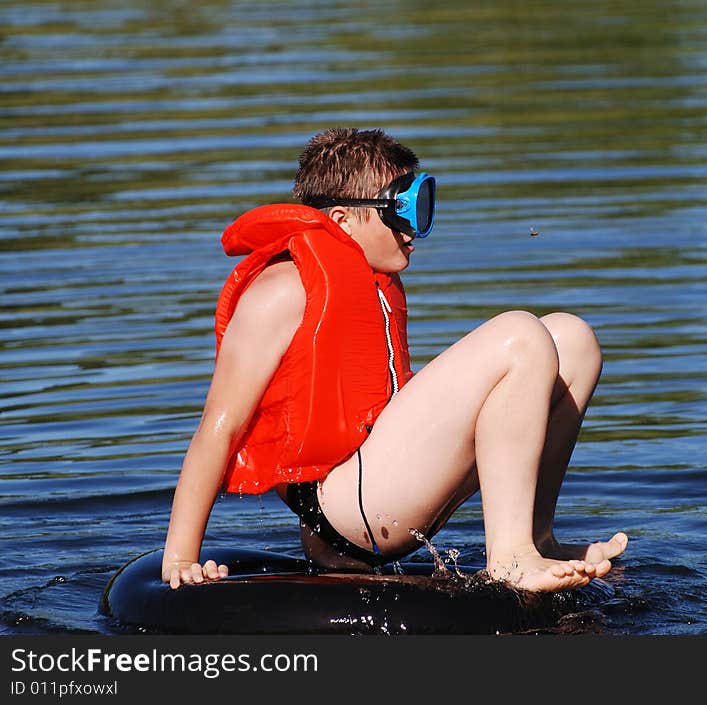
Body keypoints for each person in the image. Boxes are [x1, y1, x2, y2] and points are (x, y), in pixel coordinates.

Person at [161, 127, 628, 593]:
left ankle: (536, 538)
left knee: (572, 339)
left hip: (381, 483)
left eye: (419, 209)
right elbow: (217, 429)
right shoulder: (281, 290)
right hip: (344, 513)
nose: (411, 230)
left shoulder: (370, 281)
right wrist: (182, 557)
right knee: (519, 334)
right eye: (398, 212)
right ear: (342, 220)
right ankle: (510, 559)